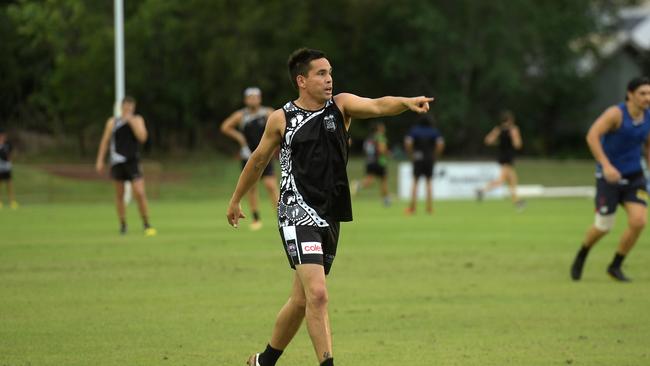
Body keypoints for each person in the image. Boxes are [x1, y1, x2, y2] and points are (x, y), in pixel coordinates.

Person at [225, 48, 433, 366]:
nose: (328, 79)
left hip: (330, 213)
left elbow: (378, 105)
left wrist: (404, 103)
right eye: (321, 74)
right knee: (319, 294)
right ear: (302, 80)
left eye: (330, 73)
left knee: (301, 300)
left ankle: (263, 361)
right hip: (295, 211)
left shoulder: (341, 107)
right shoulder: (281, 118)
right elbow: (257, 161)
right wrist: (236, 198)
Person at [571, 76, 650, 282]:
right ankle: (582, 253)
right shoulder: (615, 114)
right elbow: (592, 136)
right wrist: (606, 166)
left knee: (639, 222)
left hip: (635, 177)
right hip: (609, 178)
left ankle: (615, 266)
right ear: (630, 94)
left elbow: (648, 145)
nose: (647, 98)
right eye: (642, 93)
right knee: (604, 226)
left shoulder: (649, 117)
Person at [95, 96, 156, 236]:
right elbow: (105, 141)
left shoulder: (138, 120)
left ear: (134, 108)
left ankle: (146, 223)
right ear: (121, 107)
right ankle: (123, 224)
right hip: (117, 162)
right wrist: (100, 160)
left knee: (139, 192)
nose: (128, 109)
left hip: (133, 161)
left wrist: (131, 122)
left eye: (131, 107)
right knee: (119, 194)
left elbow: (143, 137)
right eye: (126, 106)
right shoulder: (112, 122)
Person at [221, 87, 280, 230]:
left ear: (260, 98)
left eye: (256, 97)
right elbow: (225, 127)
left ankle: (282, 216)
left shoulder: (268, 113)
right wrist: (240, 138)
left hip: (265, 156)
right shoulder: (241, 115)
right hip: (248, 155)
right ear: (246, 100)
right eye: (250, 97)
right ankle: (256, 218)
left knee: (271, 185)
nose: (253, 99)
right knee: (251, 187)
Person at [476, 110, 525, 209]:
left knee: (512, 180)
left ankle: (517, 202)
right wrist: (514, 139)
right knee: (501, 180)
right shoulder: (513, 130)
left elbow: (488, 141)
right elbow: (517, 145)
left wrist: (499, 143)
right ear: (511, 120)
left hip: (502, 156)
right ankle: (482, 190)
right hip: (508, 157)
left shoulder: (498, 129)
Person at [404, 114, 445, 215]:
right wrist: (435, 155)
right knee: (429, 182)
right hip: (429, 158)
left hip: (417, 158)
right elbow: (440, 144)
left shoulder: (415, 130)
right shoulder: (434, 131)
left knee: (415, 182)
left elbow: (408, 142)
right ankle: (429, 208)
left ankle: (412, 208)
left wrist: (411, 153)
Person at [351, 122, 391, 206]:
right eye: (382, 127)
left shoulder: (369, 138)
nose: (384, 129)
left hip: (369, 161)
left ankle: (358, 185)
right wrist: (388, 153)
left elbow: (366, 150)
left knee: (369, 180)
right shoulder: (380, 137)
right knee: (384, 180)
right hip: (379, 162)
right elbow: (381, 150)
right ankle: (386, 200)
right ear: (378, 129)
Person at [0, 128, 18, 210]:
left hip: (7, 167)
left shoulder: (8, 144)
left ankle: (12, 201)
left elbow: (10, 154)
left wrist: (9, 158)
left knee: (9, 184)